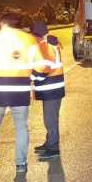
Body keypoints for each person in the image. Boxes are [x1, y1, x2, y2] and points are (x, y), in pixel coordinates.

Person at [0, 13, 48, 173]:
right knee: (21, 127)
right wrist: (32, 75)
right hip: (20, 91)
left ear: (3, 25)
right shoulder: (29, 40)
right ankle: (21, 164)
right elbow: (42, 67)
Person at [31, 21, 65, 159]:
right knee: (50, 119)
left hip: (51, 88)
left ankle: (53, 148)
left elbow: (45, 67)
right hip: (52, 88)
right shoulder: (49, 43)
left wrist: (32, 77)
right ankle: (49, 143)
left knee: (50, 120)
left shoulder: (46, 45)